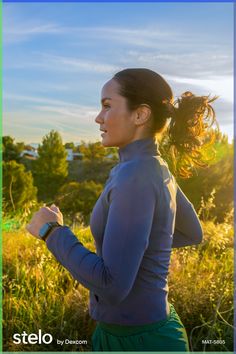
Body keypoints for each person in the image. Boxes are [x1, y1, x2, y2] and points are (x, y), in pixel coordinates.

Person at [27, 68, 217, 351]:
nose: (98, 117)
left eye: (107, 106)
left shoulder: (135, 175)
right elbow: (192, 232)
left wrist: (51, 232)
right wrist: (135, 250)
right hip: (150, 330)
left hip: (140, 341)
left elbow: (111, 286)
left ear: (140, 115)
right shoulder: (154, 167)